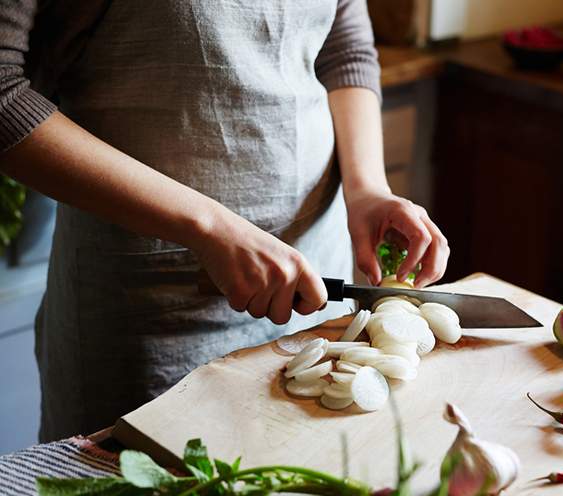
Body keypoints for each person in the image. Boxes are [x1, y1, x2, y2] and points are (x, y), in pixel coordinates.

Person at [0, 0, 449, 442]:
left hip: (315, 284)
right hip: (154, 313)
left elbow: (343, 43)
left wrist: (368, 188)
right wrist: (209, 227)